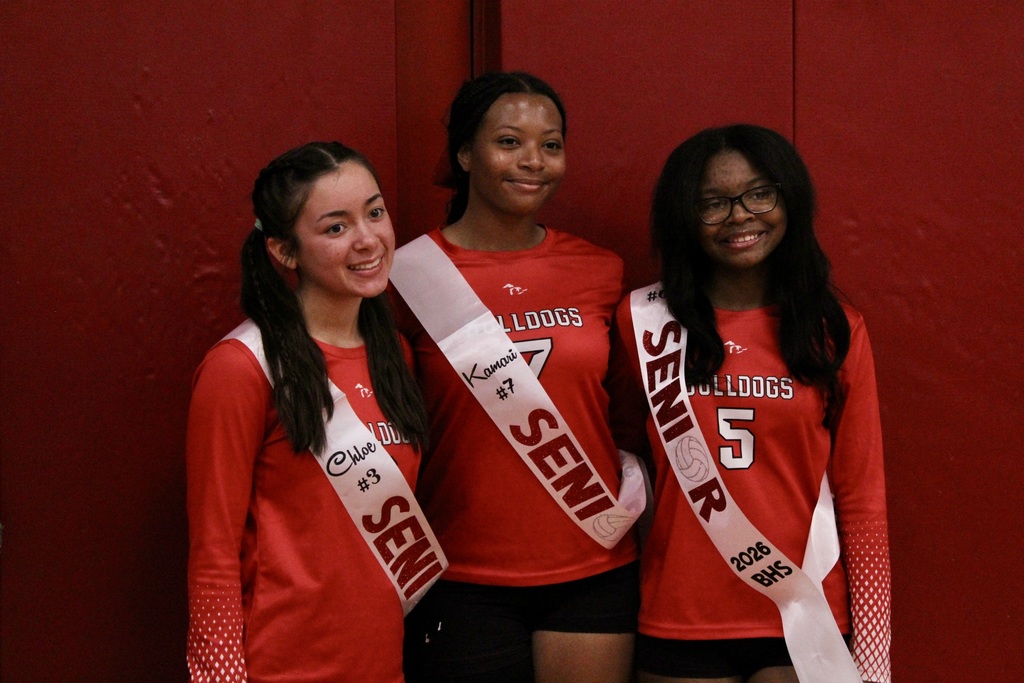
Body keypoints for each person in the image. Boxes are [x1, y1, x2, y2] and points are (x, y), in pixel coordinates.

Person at [609, 124, 891, 683]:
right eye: (713, 203)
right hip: (681, 614)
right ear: (684, 218)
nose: (740, 217)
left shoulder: (835, 331)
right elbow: (623, 458)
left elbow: (863, 498)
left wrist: (875, 647)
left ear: (790, 199)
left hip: (802, 612)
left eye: (760, 194)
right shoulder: (643, 322)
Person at [392, 72, 643, 683]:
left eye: (551, 145)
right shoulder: (406, 276)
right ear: (464, 154)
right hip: (460, 573)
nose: (533, 161)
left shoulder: (601, 270)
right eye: (509, 142)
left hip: (593, 559)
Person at [185, 141, 440, 682]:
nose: (368, 239)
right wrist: (219, 675)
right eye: (335, 227)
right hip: (279, 666)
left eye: (374, 212)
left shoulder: (393, 352)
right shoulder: (241, 367)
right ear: (283, 251)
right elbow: (213, 553)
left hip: (380, 666)